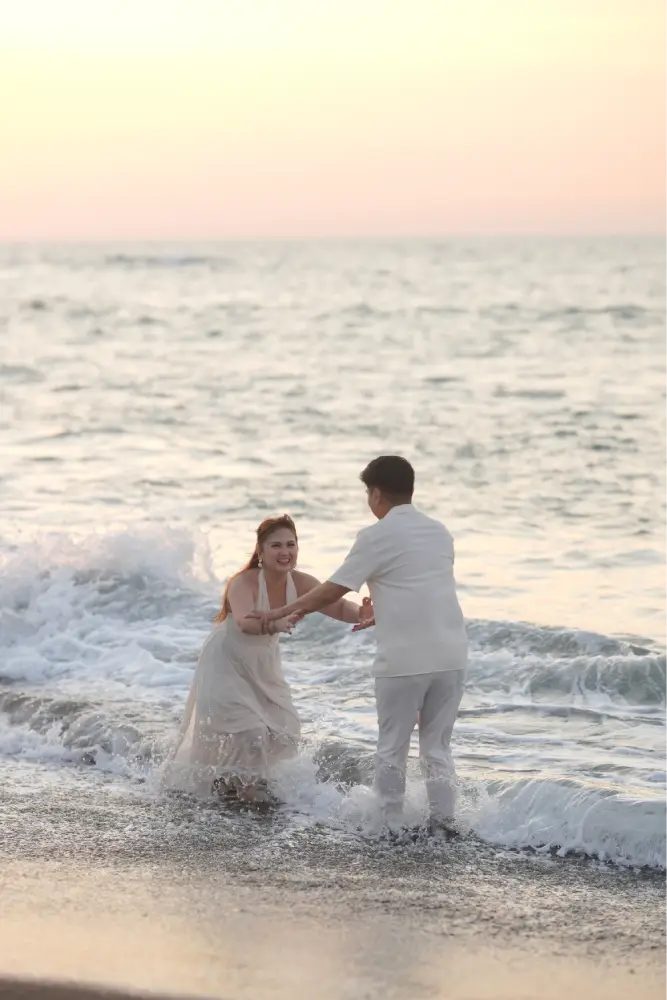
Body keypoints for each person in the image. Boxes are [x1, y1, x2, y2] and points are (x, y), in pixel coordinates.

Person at [250, 457, 468, 831]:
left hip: (404, 659)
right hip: (452, 654)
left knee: (392, 748)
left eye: (368, 493)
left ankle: (388, 827)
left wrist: (281, 611)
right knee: (437, 748)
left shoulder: (375, 536)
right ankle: (444, 825)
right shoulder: (440, 532)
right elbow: (417, 587)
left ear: (376, 493)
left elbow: (333, 590)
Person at [163, 514, 363, 805]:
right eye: (276, 545)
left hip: (263, 665)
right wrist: (276, 623)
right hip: (226, 663)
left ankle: (241, 783)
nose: (285, 552)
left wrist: (365, 614)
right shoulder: (243, 582)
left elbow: (340, 607)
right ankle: (245, 795)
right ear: (260, 550)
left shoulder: (302, 582)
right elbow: (245, 622)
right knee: (250, 732)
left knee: (285, 729)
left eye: (291, 545)